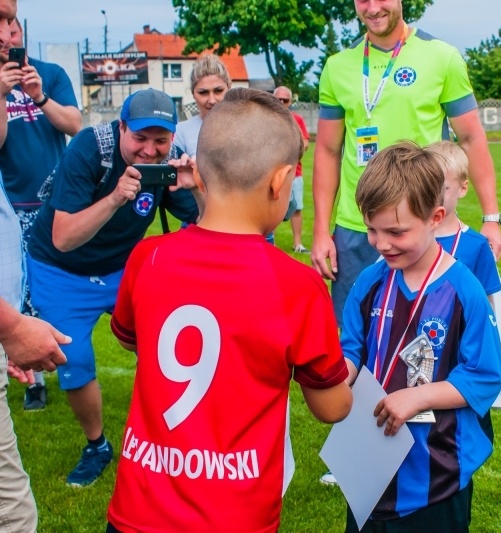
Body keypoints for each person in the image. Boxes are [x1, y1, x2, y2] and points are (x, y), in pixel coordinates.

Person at [105, 87, 352, 533]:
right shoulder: (297, 285)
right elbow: (331, 407)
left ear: (198, 175)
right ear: (281, 182)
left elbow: (130, 339)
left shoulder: (148, 257)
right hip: (235, 514)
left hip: (138, 508)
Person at [26, 88, 201, 487]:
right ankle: (97, 446)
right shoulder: (91, 149)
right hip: (60, 268)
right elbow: (63, 238)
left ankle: (170, 430)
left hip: (121, 268)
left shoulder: (168, 162)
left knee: (166, 342)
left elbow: (207, 224)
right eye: (140, 138)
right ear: (121, 127)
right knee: (74, 360)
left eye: (160, 140)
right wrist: (116, 198)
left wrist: (195, 187)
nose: (150, 150)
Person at [339, 141, 501, 532]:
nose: (381, 244)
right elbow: (351, 351)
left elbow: (484, 377)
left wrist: (418, 397)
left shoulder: (465, 290)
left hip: (435, 472)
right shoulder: (369, 282)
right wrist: (331, 375)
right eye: (372, 230)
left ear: (435, 217)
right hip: (369, 462)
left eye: (396, 232)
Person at [312, 0, 501, 327]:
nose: (372, 8)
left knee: (427, 333)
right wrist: (320, 230)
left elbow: (471, 138)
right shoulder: (337, 66)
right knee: (354, 336)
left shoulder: (442, 57)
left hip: (421, 223)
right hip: (358, 228)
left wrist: (491, 218)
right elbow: (328, 151)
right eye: (363, 0)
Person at [0, 16, 81, 410]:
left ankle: (61, 359)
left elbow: (75, 124)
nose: (8, 37)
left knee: (52, 290)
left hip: (54, 205)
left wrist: (39, 97)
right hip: (12, 206)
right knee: (18, 294)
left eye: (13, 29)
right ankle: (33, 380)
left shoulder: (50, 73)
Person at [427, 141, 501, 299]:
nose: (432, 195)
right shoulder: (410, 237)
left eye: (443, 188)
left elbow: (486, 303)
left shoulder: (477, 245)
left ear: (463, 189)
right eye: (426, 186)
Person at [274, 85, 311, 253]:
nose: (282, 102)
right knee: (270, 209)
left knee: (296, 208)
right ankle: (270, 244)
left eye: (285, 100)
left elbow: (305, 144)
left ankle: (298, 245)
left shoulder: (297, 119)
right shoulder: (266, 119)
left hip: (294, 173)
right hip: (271, 173)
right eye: (278, 99)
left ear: (290, 101)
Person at [173, 54, 231, 158]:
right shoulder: (181, 132)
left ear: (229, 88)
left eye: (218, 91)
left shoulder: (246, 127)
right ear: (193, 94)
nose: (212, 100)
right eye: (203, 92)